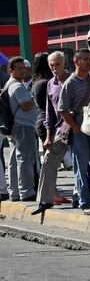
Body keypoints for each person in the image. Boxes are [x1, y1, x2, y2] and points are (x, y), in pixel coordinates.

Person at [58, 48, 90, 215]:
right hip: (78, 132)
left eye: (89, 59)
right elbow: (63, 110)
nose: (88, 61)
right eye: (84, 59)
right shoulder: (69, 83)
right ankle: (85, 202)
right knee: (81, 168)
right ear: (76, 62)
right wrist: (76, 129)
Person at [32, 51, 75, 215]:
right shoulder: (50, 83)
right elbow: (49, 112)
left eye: (57, 64)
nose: (54, 68)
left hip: (77, 127)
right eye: (51, 65)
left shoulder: (74, 80)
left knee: (85, 164)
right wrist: (49, 135)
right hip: (58, 130)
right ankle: (44, 200)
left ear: (64, 63)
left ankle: (84, 198)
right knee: (49, 161)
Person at [6, 56, 37, 202]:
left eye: (24, 67)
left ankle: (15, 192)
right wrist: (32, 99)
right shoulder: (18, 86)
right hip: (23, 126)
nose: (23, 70)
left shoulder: (9, 84)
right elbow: (26, 105)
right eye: (19, 68)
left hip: (14, 126)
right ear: (11, 70)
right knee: (25, 159)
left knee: (14, 160)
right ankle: (27, 192)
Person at [32, 52, 53, 146]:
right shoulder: (46, 83)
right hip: (47, 122)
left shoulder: (36, 81)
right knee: (57, 157)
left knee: (51, 156)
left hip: (41, 121)